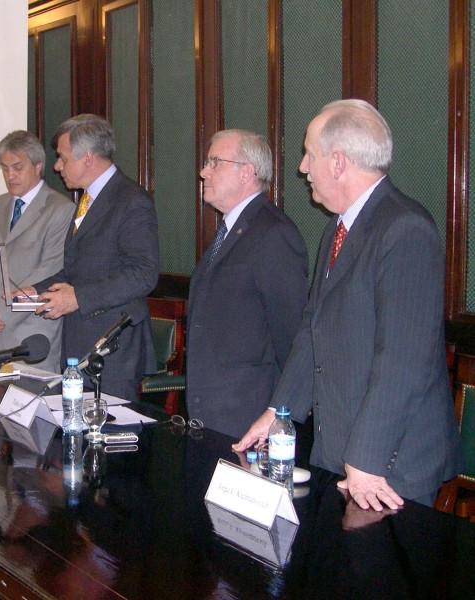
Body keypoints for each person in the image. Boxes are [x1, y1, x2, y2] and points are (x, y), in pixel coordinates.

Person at [234, 100, 463, 509]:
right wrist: (278, 412)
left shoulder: (404, 228)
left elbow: (403, 359)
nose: (302, 168)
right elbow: (312, 329)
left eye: (309, 154)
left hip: (389, 462)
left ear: (337, 162)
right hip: (339, 446)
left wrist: (367, 458)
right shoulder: (337, 229)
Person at [26, 114, 160, 400]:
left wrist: (77, 298)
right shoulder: (87, 200)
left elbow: (143, 274)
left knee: (109, 438)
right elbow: (76, 272)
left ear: (87, 157)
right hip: (79, 345)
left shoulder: (131, 201)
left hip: (113, 351)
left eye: (62, 157)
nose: (57, 166)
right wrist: (34, 292)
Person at [186, 130, 308, 439]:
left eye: (214, 162)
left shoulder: (273, 234)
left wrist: (278, 414)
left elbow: (292, 338)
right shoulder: (230, 229)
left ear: (247, 172)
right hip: (211, 409)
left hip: (247, 415)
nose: (203, 172)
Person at [0, 131, 74, 372]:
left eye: (17, 167)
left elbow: (50, 270)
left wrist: (0, 314)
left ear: (38, 166)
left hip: (32, 337)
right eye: (5, 168)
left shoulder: (60, 210)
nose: (10, 175)